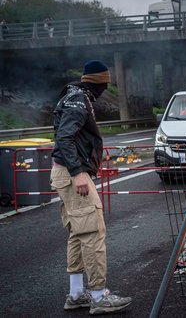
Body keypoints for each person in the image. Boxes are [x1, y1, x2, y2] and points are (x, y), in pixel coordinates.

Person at [51, 60, 132, 314]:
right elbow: (64, 137)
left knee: (78, 231)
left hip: (64, 172)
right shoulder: (78, 100)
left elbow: (74, 137)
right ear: (100, 82)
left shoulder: (75, 95)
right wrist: (78, 173)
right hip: (71, 172)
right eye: (105, 82)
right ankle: (98, 296)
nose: (106, 87)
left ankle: (76, 294)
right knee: (93, 231)